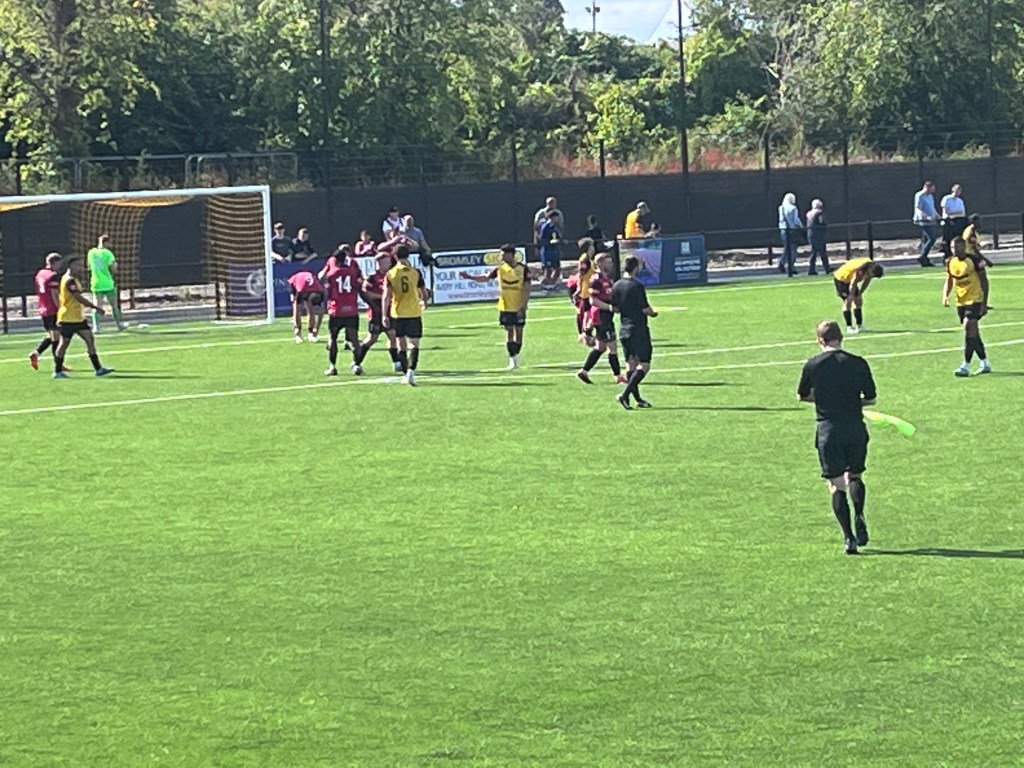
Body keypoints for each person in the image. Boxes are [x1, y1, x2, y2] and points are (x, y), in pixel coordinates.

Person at [797, 320, 877, 555]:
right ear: (841, 338)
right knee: (855, 475)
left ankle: (848, 537)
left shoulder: (813, 365)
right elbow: (871, 398)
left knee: (835, 484)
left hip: (828, 430)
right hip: (854, 427)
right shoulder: (858, 363)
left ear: (819, 340)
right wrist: (851, 401)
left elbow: (802, 395)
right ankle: (859, 514)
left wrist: (824, 399)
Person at [459, 244, 531, 369]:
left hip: (518, 306)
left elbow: (527, 289)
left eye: (504, 255)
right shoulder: (499, 269)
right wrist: (470, 277)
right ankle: (512, 359)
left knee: (519, 333)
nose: (501, 257)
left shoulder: (523, 269)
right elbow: (485, 278)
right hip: (505, 306)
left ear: (512, 255)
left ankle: (516, 354)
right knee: (509, 331)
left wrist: (523, 306)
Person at [52, 256, 113, 379]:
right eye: (78, 265)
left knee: (89, 339)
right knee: (64, 344)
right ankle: (57, 371)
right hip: (68, 318)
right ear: (70, 266)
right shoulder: (69, 280)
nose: (80, 268)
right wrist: (95, 307)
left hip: (77, 317)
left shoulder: (73, 279)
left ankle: (98, 369)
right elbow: (78, 297)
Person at [610, 255, 658, 410]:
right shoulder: (637, 286)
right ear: (636, 267)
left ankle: (637, 399)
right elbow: (645, 308)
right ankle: (624, 396)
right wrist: (653, 313)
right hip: (638, 329)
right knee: (644, 365)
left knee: (630, 365)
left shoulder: (616, 285)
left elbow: (615, 308)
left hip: (624, 329)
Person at [943, 236, 992, 376]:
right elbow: (949, 280)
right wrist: (945, 296)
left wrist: (984, 303)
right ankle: (984, 362)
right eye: (953, 247)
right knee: (972, 333)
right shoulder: (950, 262)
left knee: (968, 327)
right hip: (961, 301)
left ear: (964, 247)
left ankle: (965, 365)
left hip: (975, 299)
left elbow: (984, 281)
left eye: (958, 247)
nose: (955, 250)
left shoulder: (974, 260)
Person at [382, 245, 428, 385]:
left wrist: (384, 315)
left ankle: (405, 372)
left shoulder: (391, 274)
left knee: (401, 345)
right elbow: (423, 291)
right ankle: (411, 372)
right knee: (414, 344)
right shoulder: (415, 272)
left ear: (395, 256)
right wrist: (425, 302)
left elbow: (386, 296)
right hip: (414, 312)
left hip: (398, 313)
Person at [576, 254, 625, 385]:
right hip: (602, 317)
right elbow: (593, 300)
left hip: (605, 317)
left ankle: (584, 371)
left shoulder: (607, 279)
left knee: (601, 347)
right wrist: (609, 307)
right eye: (608, 262)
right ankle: (618, 376)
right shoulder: (596, 280)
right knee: (612, 347)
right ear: (600, 263)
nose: (611, 264)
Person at [319, 245, 364, 376]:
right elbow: (359, 283)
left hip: (337, 309)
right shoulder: (352, 271)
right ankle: (357, 365)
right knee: (354, 339)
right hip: (351, 309)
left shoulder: (332, 273)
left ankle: (332, 366)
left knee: (333, 338)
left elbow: (327, 287)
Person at [356, 253, 403, 373]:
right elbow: (366, 293)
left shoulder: (392, 275)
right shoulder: (372, 277)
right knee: (372, 338)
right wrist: (383, 297)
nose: (388, 264)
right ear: (379, 263)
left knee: (392, 335)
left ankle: (396, 362)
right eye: (386, 262)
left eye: (389, 261)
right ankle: (356, 362)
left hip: (390, 311)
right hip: (376, 312)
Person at [29, 253, 64, 371]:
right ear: (54, 263)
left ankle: (36, 353)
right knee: (56, 338)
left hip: (43, 308)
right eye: (59, 263)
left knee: (52, 335)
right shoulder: (53, 275)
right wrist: (60, 308)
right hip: (52, 309)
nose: (60, 266)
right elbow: (54, 294)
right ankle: (58, 365)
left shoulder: (40, 273)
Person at [832, 257, 884, 334]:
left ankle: (859, 326)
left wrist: (860, 293)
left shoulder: (870, 268)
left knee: (858, 301)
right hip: (841, 279)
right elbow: (853, 283)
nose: (871, 276)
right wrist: (851, 295)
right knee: (848, 302)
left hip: (850, 280)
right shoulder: (860, 269)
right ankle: (849, 327)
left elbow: (866, 281)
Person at [87, 234, 126, 332]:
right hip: (107, 283)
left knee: (97, 305)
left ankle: (96, 327)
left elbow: (89, 266)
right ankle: (119, 325)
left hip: (96, 282)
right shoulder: (108, 253)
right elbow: (113, 268)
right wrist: (115, 266)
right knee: (114, 305)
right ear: (106, 243)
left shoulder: (91, 253)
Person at [961, 214, 994, 312]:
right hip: (972, 258)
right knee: (984, 282)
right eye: (979, 221)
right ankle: (983, 304)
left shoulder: (970, 231)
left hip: (971, 257)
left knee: (976, 282)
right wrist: (986, 260)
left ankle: (977, 303)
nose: (981, 223)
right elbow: (974, 249)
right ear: (973, 222)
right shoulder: (971, 232)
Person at [567, 239, 596, 345]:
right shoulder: (584, 259)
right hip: (585, 291)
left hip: (589, 289)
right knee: (587, 313)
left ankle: (586, 334)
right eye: (592, 246)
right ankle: (585, 335)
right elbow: (581, 274)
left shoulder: (589, 259)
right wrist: (579, 289)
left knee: (588, 313)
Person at [287, 270, 324, 343]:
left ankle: (310, 333)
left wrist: (316, 330)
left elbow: (321, 312)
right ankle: (298, 333)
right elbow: (296, 307)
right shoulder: (301, 289)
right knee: (296, 307)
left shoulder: (319, 290)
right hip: (296, 282)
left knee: (310, 309)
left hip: (308, 286)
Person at [912, 181, 939, 267]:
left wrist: (938, 216)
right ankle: (923, 256)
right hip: (924, 220)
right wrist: (926, 217)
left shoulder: (931, 196)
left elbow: (932, 208)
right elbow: (918, 209)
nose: (933, 190)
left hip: (932, 220)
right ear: (927, 187)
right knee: (932, 238)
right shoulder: (919, 195)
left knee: (925, 240)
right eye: (932, 188)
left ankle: (925, 259)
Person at [777, 192, 802, 277]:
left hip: (783, 229)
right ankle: (791, 267)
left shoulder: (781, 207)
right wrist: (801, 227)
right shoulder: (793, 208)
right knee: (793, 249)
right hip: (792, 230)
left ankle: (782, 262)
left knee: (787, 248)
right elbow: (795, 221)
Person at [940, 184, 967, 258]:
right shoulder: (946, 199)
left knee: (957, 239)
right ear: (953, 190)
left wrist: (954, 212)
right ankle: (947, 255)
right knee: (947, 240)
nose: (958, 192)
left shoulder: (960, 201)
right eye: (957, 190)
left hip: (958, 222)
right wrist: (956, 212)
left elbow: (962, 213)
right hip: (948, 222)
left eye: (959, 190)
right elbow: (946, 211)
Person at [538, 211, 563, 290]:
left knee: (557, 269)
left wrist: (560, 241)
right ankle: (544, 284)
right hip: (547, 251)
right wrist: (549, 242)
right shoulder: (545, 226)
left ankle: (552, 284)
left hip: (554, 250)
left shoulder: (555, 227)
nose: (558, 219)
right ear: (552, 217)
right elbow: (541, 239)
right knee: (548, 269)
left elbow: (557, 237)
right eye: (556, 217)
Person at [805, 198, 830, 275]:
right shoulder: (819, 213)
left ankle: (811, 269)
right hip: (819, 235)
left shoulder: (809, 213)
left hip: (811, 235)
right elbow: (821, 222)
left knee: (813, 253)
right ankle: (827, 268)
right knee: (823, 253)